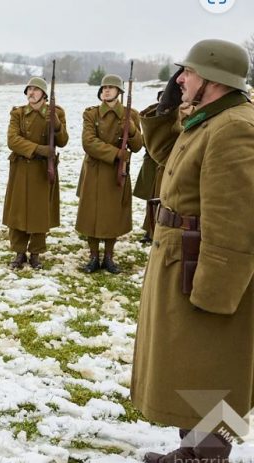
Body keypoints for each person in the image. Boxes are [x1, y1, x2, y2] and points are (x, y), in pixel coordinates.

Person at [131, 39, 254, 463]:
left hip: (205, 265)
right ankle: (192, 450)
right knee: (191, 365)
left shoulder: (234, 127)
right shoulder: (208, 120)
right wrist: (165, 112)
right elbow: (170, 160)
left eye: (190, 73)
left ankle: (207, 456)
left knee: (216, 367)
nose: (180, 79)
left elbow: (236, 218)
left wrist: (216, 291)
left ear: (215, 80)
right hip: (181, 257)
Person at [75, 74, 143, 273]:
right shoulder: (91, 114)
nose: (106, 90)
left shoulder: (131, 115)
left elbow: (138, 146)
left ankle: (109, 258)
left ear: (119, 92)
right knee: (92, 214)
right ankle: (94, 257)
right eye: (104, 87)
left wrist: (130, 130)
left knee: (113, 215)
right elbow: (88, 142)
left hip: (117, 173)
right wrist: (116, 153)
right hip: (95, 170)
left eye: (111, 87)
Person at [3, 77, 69, 270]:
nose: (31, 93)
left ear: (44, 94)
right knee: (18, 212)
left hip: (43, 170)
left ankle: (36, 254)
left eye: (35, 90)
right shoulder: (18, 114)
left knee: (40, 213)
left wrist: (56, 125)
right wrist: (39, 149)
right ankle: (19, 252)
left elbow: (63, 141)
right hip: (21, 168)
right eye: (29, 89)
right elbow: (12, 140)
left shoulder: (56, 112)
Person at [132, 91, 165, 245]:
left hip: (164, 163)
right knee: (150, 199)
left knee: (162, 198)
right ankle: (149, 229)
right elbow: (145, 140)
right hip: (151, 162)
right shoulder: (153, 117)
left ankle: (156, 231)